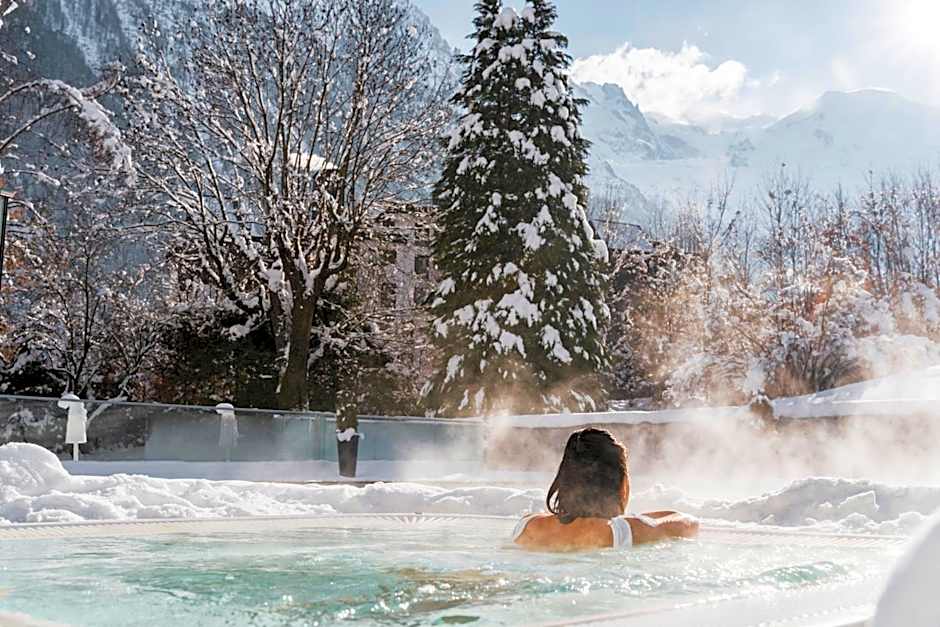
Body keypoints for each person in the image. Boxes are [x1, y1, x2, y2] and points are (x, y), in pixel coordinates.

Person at [513, 427, 699, 551]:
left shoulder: (528, 525)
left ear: (564, 477)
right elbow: (689, 523)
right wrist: (636, 519)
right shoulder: (622, 530)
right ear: (617, 479)